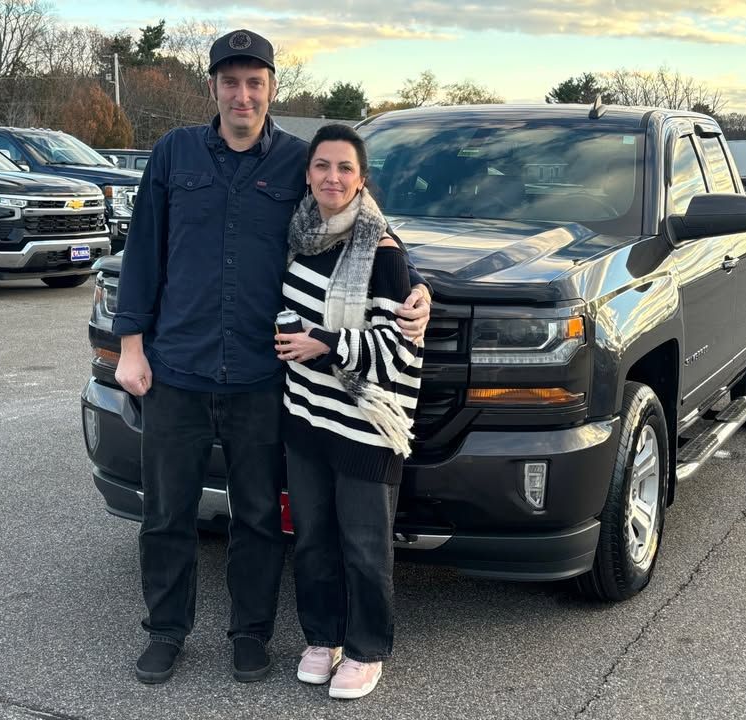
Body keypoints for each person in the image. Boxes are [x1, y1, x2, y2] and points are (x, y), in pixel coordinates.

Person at [111, 29, 432, 685]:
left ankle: (250, 633)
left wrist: (415, 284)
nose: (242, 93)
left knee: (257, 517)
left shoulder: (296, 160)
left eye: (254, 82)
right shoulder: (175, 154)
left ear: (271, 89)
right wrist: (131, 347)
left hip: (262, 378)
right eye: (230, 81)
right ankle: (166, 631)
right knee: (166, 514)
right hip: (176, 370)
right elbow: (143, 251)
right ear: (213, 89)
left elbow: (362, 214)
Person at [274, 124, 424, 700]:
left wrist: (325, 343)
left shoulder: (382, 251)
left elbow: (397, 349)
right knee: (312, 538)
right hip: (305, 416)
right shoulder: (300, 236)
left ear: (362, 180)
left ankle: (366, 649)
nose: (331, 178)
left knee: (364, 545)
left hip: (362, 425)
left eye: (344, 168)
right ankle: (323, 637)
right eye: (321, 167)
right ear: (308, 174)